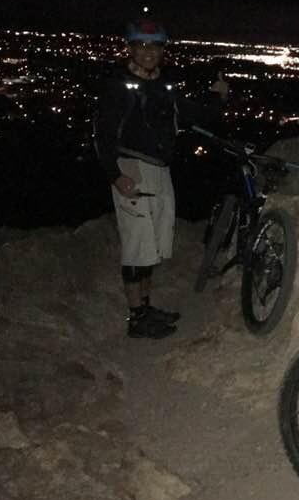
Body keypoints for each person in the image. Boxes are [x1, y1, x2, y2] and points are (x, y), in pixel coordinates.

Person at [94, 18, 229, 338]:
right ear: (130, 48)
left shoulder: (162, 86)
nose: (148, 51)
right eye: (141, 45)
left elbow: (191, 113)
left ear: (162, 50)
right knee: (136, 247)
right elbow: (102, 136)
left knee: (150, 247)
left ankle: (145, 307)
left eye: (154, 45)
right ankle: (137, 318)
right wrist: (115, 175)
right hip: (133, 171)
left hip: (159, 171)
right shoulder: (117, 86)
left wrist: (216, 98)